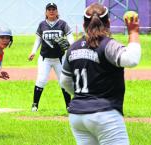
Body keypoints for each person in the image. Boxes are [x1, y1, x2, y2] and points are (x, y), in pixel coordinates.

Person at [60, 3, 141, 145]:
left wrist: (84, 95)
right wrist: (133, 32)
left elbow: (64, 82)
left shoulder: (72, 48)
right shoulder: (107, 44)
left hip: (77, 115)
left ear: (84, 25)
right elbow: (132, 60)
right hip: (104, 114)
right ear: (108, 23)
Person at [28, 2, 74, 112]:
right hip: (45, 59)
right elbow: (38, 39)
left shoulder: (62, 24)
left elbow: (70, 37)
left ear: (57, 12)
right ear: (46, 12)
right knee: (41, 80)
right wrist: (33, 51)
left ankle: (68, 106)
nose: (51, 11)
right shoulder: (42, 24)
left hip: (60, 59)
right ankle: (35, 105)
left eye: (53, 9)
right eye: (49, 9)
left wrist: (70, 47)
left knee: (64, 81)